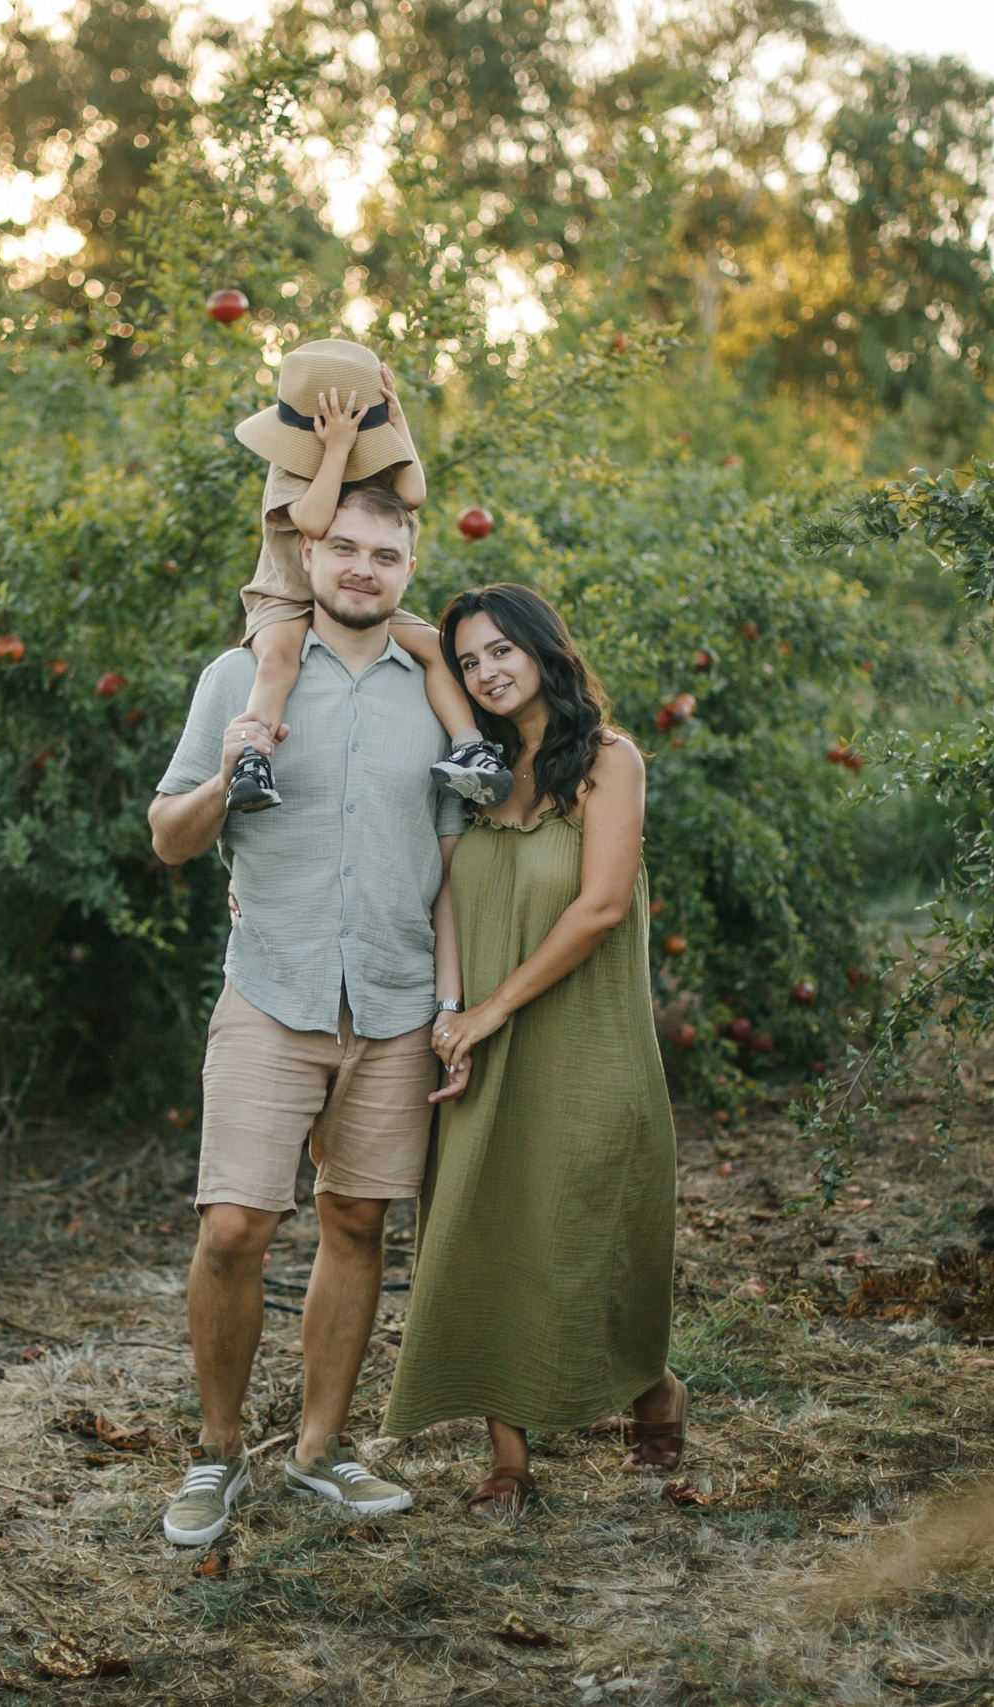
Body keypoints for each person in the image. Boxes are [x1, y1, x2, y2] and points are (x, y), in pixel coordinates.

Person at [146, 482, 470, 1548]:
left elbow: (461, 852)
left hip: (393, 993)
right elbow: (169, 836)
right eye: (345, 549)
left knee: (358, 1220)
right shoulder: (240, 674)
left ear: (408, 567)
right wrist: (234, 783)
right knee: (235, 1226)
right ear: (310, 557)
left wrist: (454, 1001)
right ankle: (216, 1450)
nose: (364, 568)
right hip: (272, 987)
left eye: (385, 553)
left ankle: (321, 1450)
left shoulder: (441, 691)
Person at [379, 582, 684, 1517]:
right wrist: (450, 1012)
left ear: (545, 649)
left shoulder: (607, 761)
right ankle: (507, 1457)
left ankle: (652, 1388)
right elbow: (447, 897)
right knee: (479, 1222)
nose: (487, 671)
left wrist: (491, 1011)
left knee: (591, 1228)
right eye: (468, 659)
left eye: (502, 650)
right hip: (474, 1035)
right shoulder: (469, 770)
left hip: (587, 1040)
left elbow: (598, 906)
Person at [227, 337, 511, 812]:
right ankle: (252, 759)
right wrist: (335, 449)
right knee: (278, 661)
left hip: (355, 596)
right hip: (285, 597)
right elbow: (315, 522)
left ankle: (470, 749)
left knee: (436, 649)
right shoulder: (290, 465)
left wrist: (396, 425)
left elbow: (413, 493)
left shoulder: (367, 463)